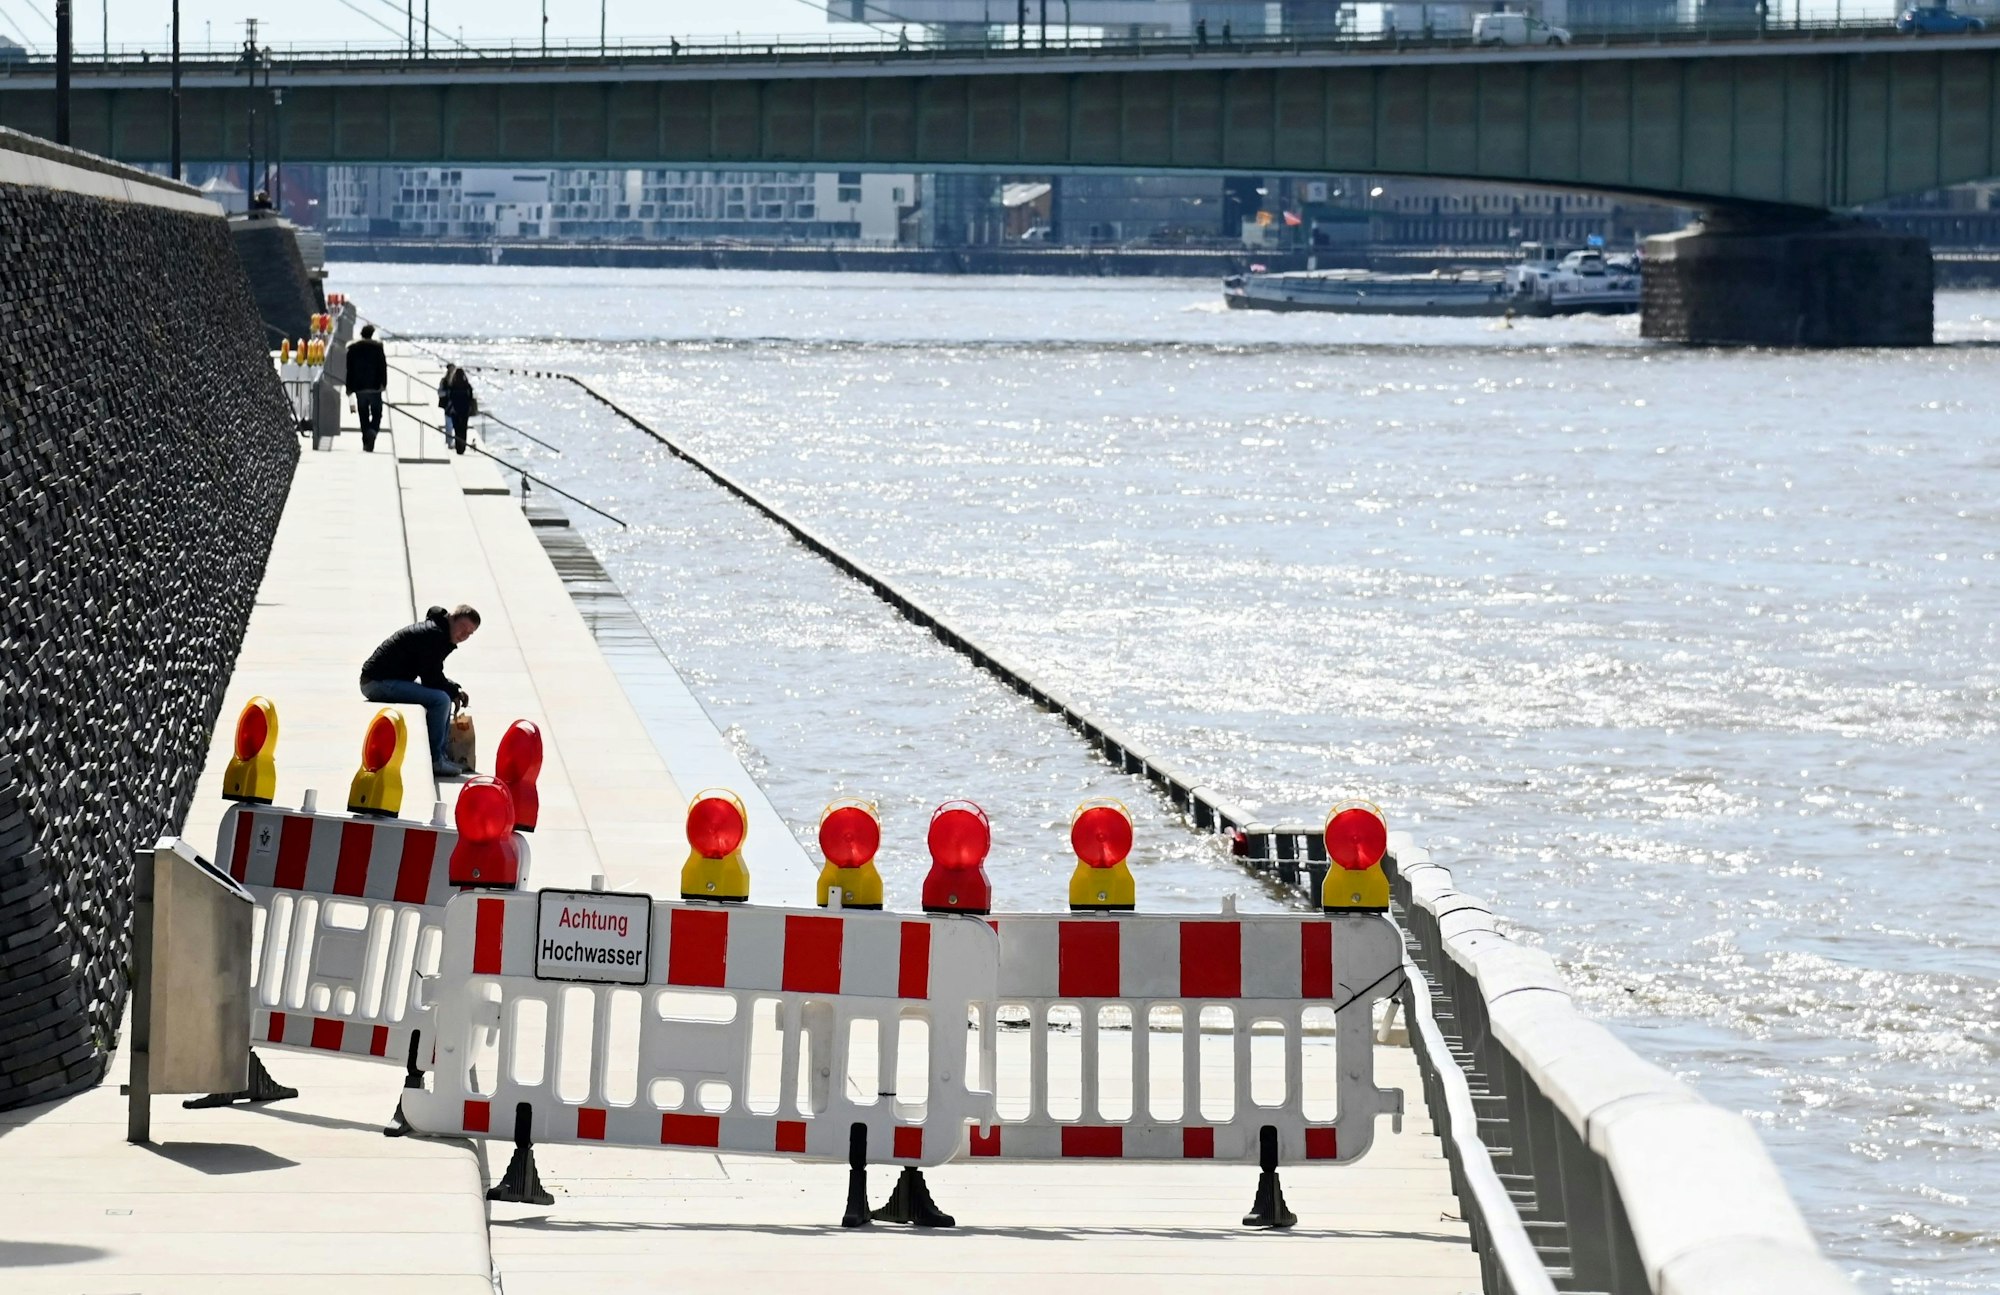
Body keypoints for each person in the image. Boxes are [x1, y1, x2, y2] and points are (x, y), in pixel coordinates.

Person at [360, 604, 481, 777]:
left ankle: (442, 756)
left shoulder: (440, 632)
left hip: (387, 679)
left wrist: (452, 688)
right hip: (376, 682)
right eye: (463, 628)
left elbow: (432, 672)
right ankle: (436, 759)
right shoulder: (434, 635)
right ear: (452, 618)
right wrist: (452, 691)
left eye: (470, 633)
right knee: (441, 700)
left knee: (443, 695)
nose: (464, 635)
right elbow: (431, 678)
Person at [346, 324, 388, 452]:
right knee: (377, 413)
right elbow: (383, 367)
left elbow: (349, 370)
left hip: (359, 388)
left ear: (361, 335)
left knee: (363, 415)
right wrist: (383, 384)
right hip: (375, 387)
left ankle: (366, 441)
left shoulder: (353, 349)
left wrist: (349, 387)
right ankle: (373, 431)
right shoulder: (378, 348)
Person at [442, 365, 477, 455]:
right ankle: (462, 447)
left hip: (455, 411)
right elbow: (470, 397)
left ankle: (459, 447)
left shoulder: (452, 385)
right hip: (464, 411)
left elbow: (449, 396)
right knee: (463, 429)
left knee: (457, 429)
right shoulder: (467, 386)